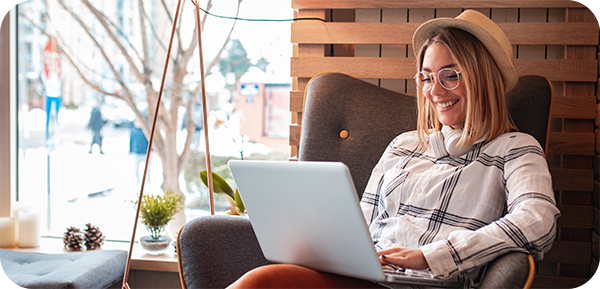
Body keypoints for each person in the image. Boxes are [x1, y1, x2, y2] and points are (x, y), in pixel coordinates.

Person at [227, 10, 560, 289]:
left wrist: (433, 255)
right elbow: (362, 224)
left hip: (430, 281)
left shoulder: (515, 149)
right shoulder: (404, 145)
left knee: (262, 283)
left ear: (484, 78)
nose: (435, 90)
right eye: (427, 77)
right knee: (261, 281)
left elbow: (538, 221)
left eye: (450, 76)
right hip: (369, 277)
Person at [130, 117, 150, 187]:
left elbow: (149, 141)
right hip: (136, 152)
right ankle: (137, 183)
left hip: (145, 153)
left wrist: (151, 150)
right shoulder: (133, 130)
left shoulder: (145, 130)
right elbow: (131, 140)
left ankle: (148, 182)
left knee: (147, 169)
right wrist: (130, 150)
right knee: (136, 169)